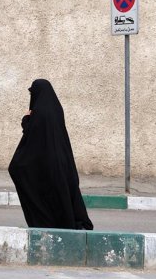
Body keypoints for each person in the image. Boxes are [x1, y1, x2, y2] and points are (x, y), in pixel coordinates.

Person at [8, 79, 93, 230]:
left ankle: (46, 222)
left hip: (45, 162)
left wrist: (26, 119)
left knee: (21, 173)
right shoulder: (56, 108)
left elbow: (32, 137)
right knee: (62, 193)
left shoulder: (39, 112)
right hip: (62, 160)